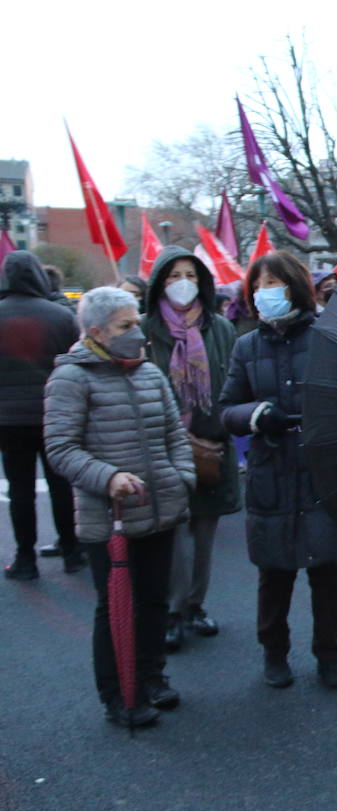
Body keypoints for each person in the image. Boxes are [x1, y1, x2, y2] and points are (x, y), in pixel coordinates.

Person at [44, 286, 193, 727]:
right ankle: (117, 694)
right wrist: (107, 477)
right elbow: (60, 448)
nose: (138, 333)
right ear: (96, 332)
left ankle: (151, 677)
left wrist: (180, 477)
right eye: (126, 326)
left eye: (137, 322)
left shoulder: (148, 372)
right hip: (110, 518)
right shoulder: (71, 378)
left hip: (161, 508)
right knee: (115, 609)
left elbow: (174, 435)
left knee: (153, 601)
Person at [220, 252, 337, 690]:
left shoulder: (328, 337)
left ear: (296, 288)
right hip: (271, 471)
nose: (266, 294)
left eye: (275, 284)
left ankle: (329, 654)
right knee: (274, 572)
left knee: (327, 571)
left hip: (320, 471)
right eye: (259, 286)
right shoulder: (246, 346)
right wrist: (258, 415)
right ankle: (274, 653)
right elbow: (226, 410)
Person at [141, 247, 242, 650]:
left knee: (203, 535)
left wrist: (224, 425)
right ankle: (171, 609)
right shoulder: (145, 331)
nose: (182, 282)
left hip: (212, 446)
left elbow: (235, 383)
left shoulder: (220, 328)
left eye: (189, 274)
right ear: (158, 284)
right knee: (174, 534)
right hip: (163, 448)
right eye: (172, 275)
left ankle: (195, 605)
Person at [0, 251, 81, 579]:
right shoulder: (61, 315)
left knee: (19, 491)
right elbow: (76, 364)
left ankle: (25, 558)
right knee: (61, 485)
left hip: (8, 419)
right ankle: (72, 550)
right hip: (54, 414)